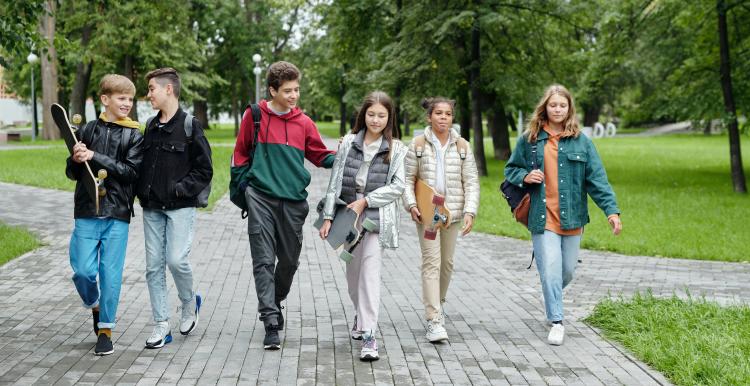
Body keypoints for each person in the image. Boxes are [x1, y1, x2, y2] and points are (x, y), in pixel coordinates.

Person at [504, 84, 622, 346]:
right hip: (542, 215)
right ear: (545, 107)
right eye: (553, 105)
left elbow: (597, 179)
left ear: (570, 109)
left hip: (572, 217)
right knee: (551, 269)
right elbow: (511, 169)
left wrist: (611, 211)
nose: (557, 109)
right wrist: (525, 176)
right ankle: (557, 321)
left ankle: (551, 294)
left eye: (562, 105)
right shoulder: (530, 140)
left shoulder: (581, 141)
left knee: (567, 271)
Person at [232, 61, 335, 350]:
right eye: (288, 90)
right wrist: (244, 189)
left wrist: (347, 156)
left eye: (297, 90)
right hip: (260, 197)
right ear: (272, 90)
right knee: (263, 260)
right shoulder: (254, 117)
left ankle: (275, 301)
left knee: (288, 262)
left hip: (293, 201)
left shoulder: (304, 122)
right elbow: (240, 154)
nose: (293, 96)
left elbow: (319, 154)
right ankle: (270, 321)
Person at [318, 91, 407, 361]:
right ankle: (360, 315)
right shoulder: (347, 143)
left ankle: (369, 334)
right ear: (363, 115)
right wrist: (329, 217)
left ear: (390, 118)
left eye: (382, 115)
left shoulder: (397, 148)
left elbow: (399, 187)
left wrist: (367, 200)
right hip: (348, 215)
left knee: (370, 274)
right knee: (353, 276)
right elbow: (335, 182)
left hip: (375, 217)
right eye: (371, 114)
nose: (376, 120)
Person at [66, 74, 144, 355]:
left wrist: (95, 156)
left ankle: (106, 330)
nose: (126, 104)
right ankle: (95, 305)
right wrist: (76, 159)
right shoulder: (86, 130)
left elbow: (130, 173)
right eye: (121, 98)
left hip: (117, 212)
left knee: (110, 274)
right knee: (83, 271)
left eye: (130, 99)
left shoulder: (134, 135)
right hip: (87, 210)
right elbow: (71, 172)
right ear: (105, 99)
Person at [137, 67, 213, 349]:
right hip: (152, 208)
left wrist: (180, 189)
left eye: (152, 89)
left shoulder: (190, 125)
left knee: (176, 260)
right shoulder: (150, 126)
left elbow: (205, 170)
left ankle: (188, 303)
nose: (148, 95)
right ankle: (161, 325)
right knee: (152, 267)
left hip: (181, 207)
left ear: (168, 89)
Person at [403, 97, 480, 343]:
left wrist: (470, 211)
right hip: (427, 213)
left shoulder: (463, 147)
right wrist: (412, 204)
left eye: (448, 114)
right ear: (429, 117)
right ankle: (434, 319)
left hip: (452, 214)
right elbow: (406, 180)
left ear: (452, 118)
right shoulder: (416, 145)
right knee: (431, 263)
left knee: (446, 264)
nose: (443, 118)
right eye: (438, 113)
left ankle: (439, 303)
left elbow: (471, 182)